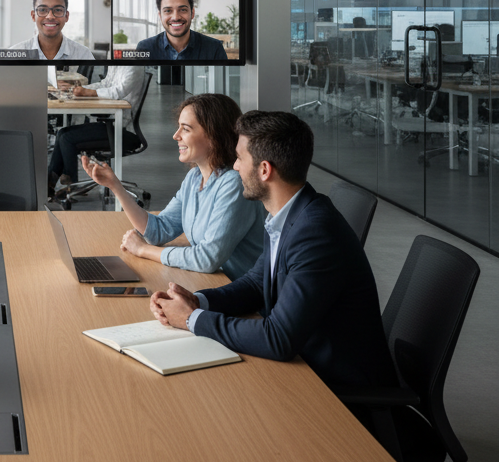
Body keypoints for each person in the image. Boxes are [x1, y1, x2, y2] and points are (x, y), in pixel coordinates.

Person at [150, 110, 397, 393]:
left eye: (240, 158)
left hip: (333, 387)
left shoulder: (315, 233)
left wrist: (192, 320)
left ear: (265, 170)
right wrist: (197, 301)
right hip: (303, 364)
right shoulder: (289, 212)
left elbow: (278, 338)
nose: (235, 167)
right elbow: (257, 283)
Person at [78, 95, 265, 279]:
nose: (176, 136)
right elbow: (159, 230)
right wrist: (115, 186)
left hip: (242, 297)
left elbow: (207, 259)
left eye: (186, 129)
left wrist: (144, 250)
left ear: (213, 136)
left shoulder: (234, 183)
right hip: (213, 283)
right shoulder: (194, 177)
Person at [46, 64, 147, 196]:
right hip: (110, 123)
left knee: (67, 138)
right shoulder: (117, 63)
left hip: (120, 129)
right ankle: (49, 184)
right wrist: (77, 89)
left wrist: (88, 92)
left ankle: (72, 186)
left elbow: (118, 91)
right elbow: (106, 83)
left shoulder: (133, 67)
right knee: (62, 133)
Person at [137, 0, 228, 61]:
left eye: (183, 10)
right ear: (160, 16)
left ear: (192, 13)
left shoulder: (214, 48)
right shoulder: (145, 48)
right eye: (168, 11)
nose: (176, 17)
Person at [7, 0, 95, 61]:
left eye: (57, 10)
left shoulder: (83, 55)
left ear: (66, 16)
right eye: (42, 9)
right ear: (33, 16)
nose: (50, 16)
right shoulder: (14, 55)